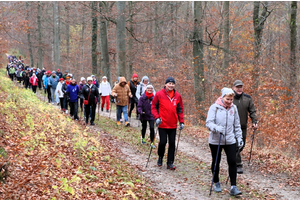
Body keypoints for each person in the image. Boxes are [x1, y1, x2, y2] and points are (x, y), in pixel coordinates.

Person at [206, 87, 243, 196]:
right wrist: (216, 128)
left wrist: (239, 138)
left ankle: (233, 187)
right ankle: (216, 182)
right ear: (222, 97)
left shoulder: (234, 108)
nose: (230, 102)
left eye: (231, 99)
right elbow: (208, 123)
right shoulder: (214, 107)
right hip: (216, 140)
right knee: (216, 161)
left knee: (232, 161)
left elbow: (237, 125)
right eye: (227, 99)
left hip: (230, 139)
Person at [151, 77, 184, 170]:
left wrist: (181, 122)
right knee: (163, 142)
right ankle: (160, 157)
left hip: (173, 124)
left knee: (172, 143)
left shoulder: (178, 96)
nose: (171, 85)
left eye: (172, 84)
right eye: (169, 83)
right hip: (162, 123)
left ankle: (170, 162)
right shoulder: (159, 94)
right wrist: (157, 117)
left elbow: (180, 110)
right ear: (165, 84)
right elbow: (153, 107)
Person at [232, 80, 258, 174]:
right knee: (235, 145)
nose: (239, 89)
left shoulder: (247, 98)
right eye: (237, 87)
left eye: (241, 87)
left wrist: (254, 121)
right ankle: (238, 164)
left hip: (243, 126)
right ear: (234, 88)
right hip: (231, 127)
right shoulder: (230, 98)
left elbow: (252, 111)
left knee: (241, 145)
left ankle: (232, 158)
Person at [137, 84, 155, 148]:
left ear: (152, 90)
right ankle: (143, 138)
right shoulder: (142, 98)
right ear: (146, 89)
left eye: (151, 88)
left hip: (152, 115)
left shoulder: (154, 98)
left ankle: (152, 142)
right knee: (144, 127)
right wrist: (141, 112)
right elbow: (139, 106)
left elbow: (157, 107)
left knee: (152, 128)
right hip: (144, 115)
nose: (149, 89)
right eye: (148, 88)